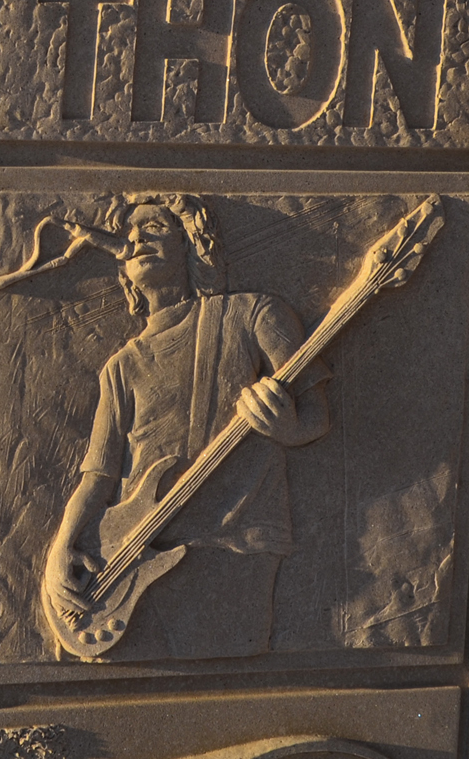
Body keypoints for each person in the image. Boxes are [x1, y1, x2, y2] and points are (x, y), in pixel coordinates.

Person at [41, 193, 331, 660]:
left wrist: (287, 428)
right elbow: (98, 477)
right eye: (130, 236)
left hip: (235, 544)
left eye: (154, 228)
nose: (137, 240)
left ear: (192, 243)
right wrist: (61, 550)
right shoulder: (120, 366)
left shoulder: (255, 314)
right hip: (132, 555)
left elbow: (317, 417)